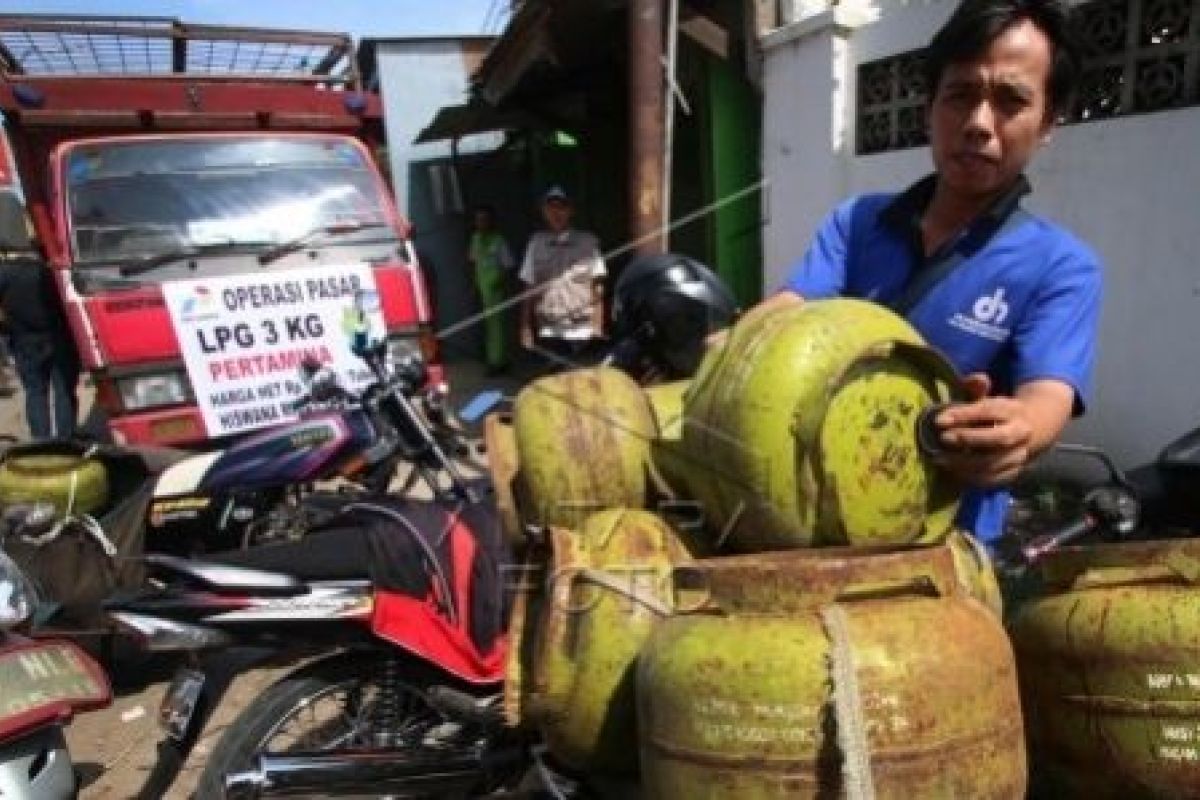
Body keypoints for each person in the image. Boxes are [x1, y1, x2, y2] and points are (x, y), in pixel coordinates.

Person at [738, 0, 1102, 545]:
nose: (979, 124)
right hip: (815, 518)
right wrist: (741, 343)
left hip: (945, 542)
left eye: (1011, 102)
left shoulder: (1062, 266)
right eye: (959, 96)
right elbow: (791, 312)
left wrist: (1014, 433)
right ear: (930, 106)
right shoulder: (857, 222)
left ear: (1047, 121)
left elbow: (1046, 398)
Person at [518, 186, 606, 368]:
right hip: (550, 330)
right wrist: (525, 327)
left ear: (571, 211)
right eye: (550, 208)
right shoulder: (536, 244)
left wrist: (597, 326)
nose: (556, 213)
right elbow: (529, 288)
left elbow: (597, 286)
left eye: (561, 207)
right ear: (544, 212)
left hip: (582, 331)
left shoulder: (588, 243)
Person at [0, 254, 82, 440]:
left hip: (24, 340)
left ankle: (41, 439)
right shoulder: (51, 271)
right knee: (64, 390)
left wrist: (6, 328)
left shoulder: (4, 273)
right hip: (60, 336)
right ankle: (66, 438)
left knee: (35, 392)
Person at [467, 205, 515, 375]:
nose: (482, 223)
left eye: (485, 220)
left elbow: (508, 266)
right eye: (478, 220)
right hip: (481, 290)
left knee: (498, 329)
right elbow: (473, 264)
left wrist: (502, 284)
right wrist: (474, 287)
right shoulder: (475, 239)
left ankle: (499, 362)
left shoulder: (498, 240)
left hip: (496, 291)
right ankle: (490, 359)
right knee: (485, 329)